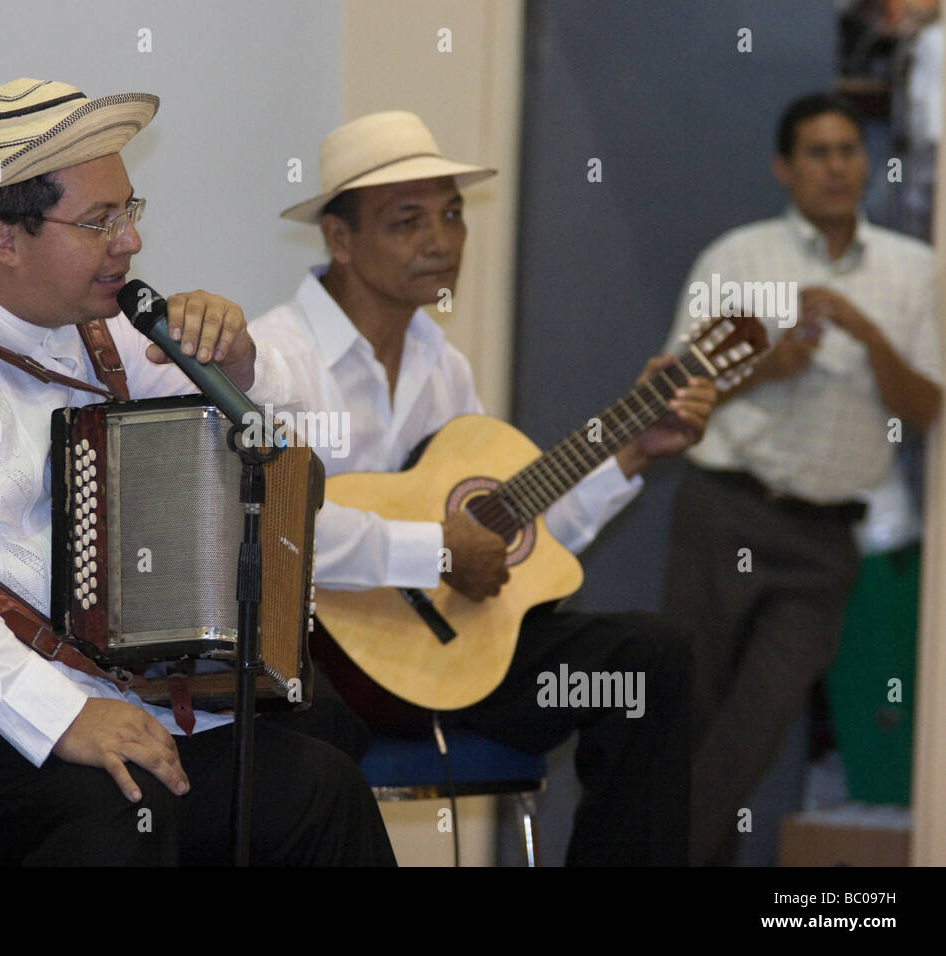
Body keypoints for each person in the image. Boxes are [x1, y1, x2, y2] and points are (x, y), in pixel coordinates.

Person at [0, 78, 395, 866]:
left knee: (317, 784)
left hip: (91, 692)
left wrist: (244, 359)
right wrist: (58, 714)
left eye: (130, 211)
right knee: (127, 814)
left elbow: (297, 441)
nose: (129, 242)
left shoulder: (100, 329)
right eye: (99, 222)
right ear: (6, 238)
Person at [250, 110, 717, 865]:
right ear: (340, 239)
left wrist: (630, 454)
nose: (442, 240)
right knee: (303, 742)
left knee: (648, 660)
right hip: (328, 670)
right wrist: (436, 551)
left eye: (453, 214)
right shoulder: (273, 360)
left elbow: (506, 541)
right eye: (408, 221)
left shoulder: (444, 366)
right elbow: (279, 532)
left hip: (453, 663)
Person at [661, 92, 942, 866]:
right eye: (817, 152)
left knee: (755, 729)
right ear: (785, 168)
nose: (837, 167)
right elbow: (675, 389)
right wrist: (767, 364)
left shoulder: (914, 271)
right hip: (724, 513)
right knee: (690, 715)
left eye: (849, 149)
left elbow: (926, 407)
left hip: (825, 540)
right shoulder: (737, 258)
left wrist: (869, 334)